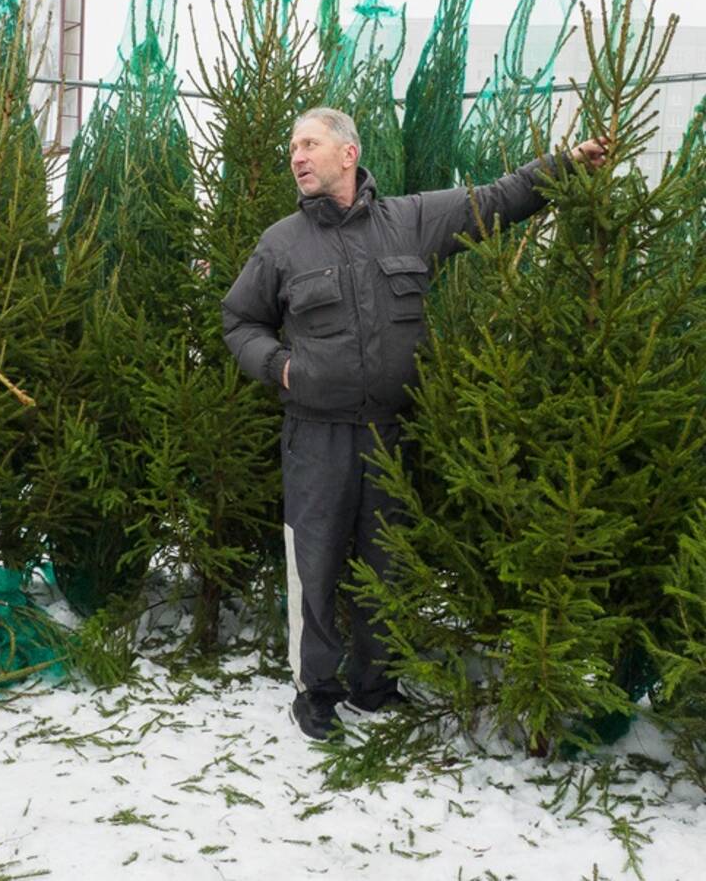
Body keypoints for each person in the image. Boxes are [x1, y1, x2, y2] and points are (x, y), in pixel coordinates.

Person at [221, 107, 606, 741]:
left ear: (348, 154)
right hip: (315, 435)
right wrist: (280, 368)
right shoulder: (282, 243)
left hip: (389, 433)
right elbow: (239, 321)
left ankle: (376, 682)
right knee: (314, 562)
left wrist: (564, 166)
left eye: (309, 144)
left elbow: (497, 199)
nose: (297, 157)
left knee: (387, 558)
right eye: (293, 147)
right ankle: (315, 689)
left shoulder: (410, 221)